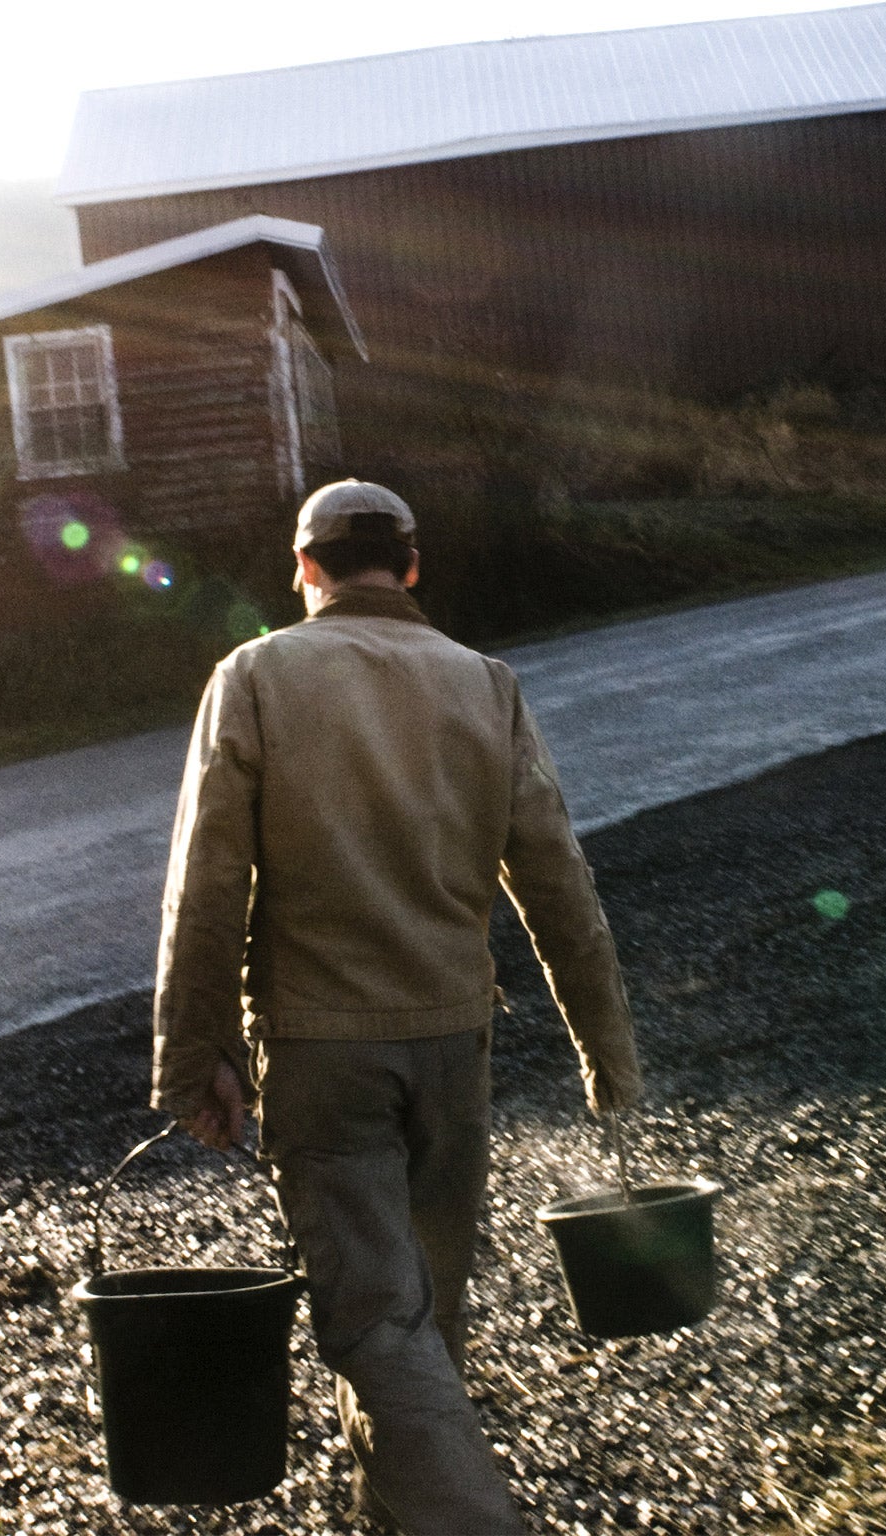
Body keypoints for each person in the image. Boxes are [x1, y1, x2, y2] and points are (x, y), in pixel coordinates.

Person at [151, 479, 642, 1534]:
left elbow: (206, 882)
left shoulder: (254, 677)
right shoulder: (484, 685)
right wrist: (607, 1056)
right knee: (426, 1320)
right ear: (410, 565)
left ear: (303, 570)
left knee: (378, 1326)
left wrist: (199, 1056)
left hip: (324, 1057)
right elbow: (557, 881)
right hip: (454, 1055)